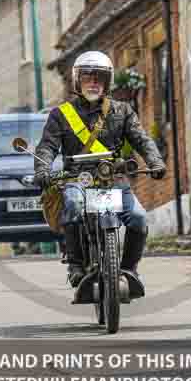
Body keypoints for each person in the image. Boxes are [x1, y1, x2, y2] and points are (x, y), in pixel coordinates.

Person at [34, 51, 167, 288]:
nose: (93, 82)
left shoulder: (122, 111)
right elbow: (46, 148)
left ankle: (129, 270)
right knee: (72, 205)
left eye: (99, 78)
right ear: (77, 81)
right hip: (76, 179)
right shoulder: (60, 115)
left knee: (137, 217)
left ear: (108, 82)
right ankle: (75, 265)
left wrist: (155, 161)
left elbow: (142, 140)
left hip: (113, 179)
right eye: (87, 77)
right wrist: (43, 170)